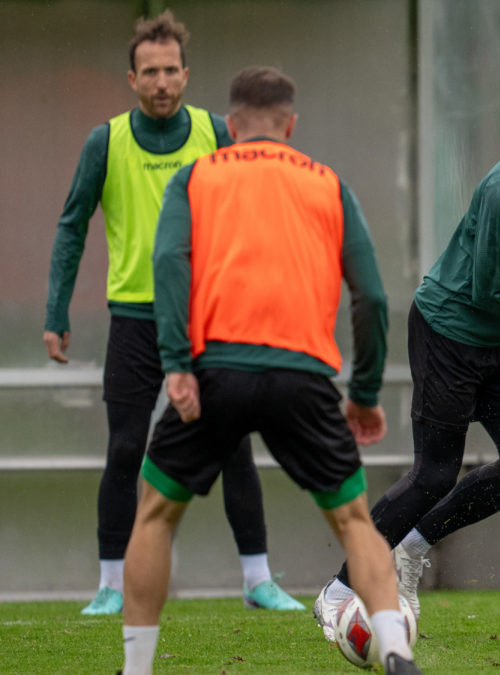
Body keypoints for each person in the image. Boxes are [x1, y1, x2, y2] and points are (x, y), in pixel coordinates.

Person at [120, 66, 420, 675]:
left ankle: (137, 669)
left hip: (214, 372)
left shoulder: (195, 177)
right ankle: (396, 650)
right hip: (302, 375)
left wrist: (176, 365)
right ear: (292, 124)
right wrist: (362, 393)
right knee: (354, 521)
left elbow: (170, 267)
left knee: (154, 513)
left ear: (230, 126)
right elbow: (372, 298)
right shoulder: (328, 184)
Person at [311, 69, 500, 640]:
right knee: (433, 474)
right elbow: (491, 291)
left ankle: (411, 548)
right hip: (449, 331)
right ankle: (339, 588)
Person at [43, 11, 300, 615]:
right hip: (134, 320)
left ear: (186, 74)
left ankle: (258, 581)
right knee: (126, 447)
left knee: (234, 443)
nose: (161, 82)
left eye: (170, 71)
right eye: (148, 72)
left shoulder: (215, 133)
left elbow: (255, 215)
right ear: (131, 79)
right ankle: (111, 585)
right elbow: (71, 225)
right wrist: (56, 311)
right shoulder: (105, 142)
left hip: (209, 320)